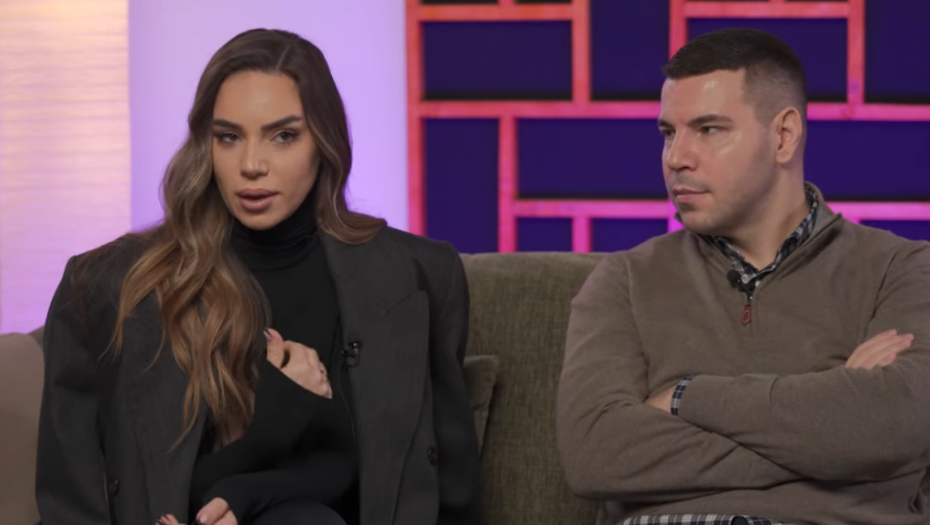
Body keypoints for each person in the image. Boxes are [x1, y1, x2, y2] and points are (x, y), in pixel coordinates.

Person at [35, 28, 483, 525]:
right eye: (229, 137)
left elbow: (450, 492)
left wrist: (258, 476)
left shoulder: (420, 275)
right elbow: (70, 498)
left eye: (283, 136)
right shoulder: (101, 285)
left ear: (324, 141)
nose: (251, 165)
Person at [556, 27, 930, 525]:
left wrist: (686, 396)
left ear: (783, 135)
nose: (676, 158)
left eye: (709, 129)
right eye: (668, 133)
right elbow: (595, 455)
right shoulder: (625, 279)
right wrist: (832, 435)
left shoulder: (902, 268)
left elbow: (890, 429)